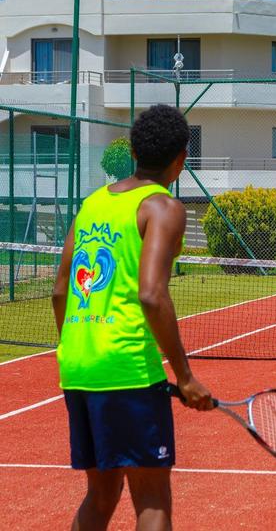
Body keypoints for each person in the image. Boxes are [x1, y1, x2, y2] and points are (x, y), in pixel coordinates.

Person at [52, 104, 213, 531]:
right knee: (152, 498)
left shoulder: (92, 204)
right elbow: (152, 295)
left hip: (78, 365)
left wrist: (78, 346)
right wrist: (184, 376)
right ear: (181, 158)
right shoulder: (163, 207)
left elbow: (59, 290)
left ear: (136, 152)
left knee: (100, 495)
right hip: (128, 368)